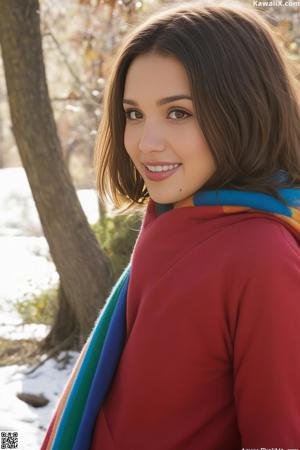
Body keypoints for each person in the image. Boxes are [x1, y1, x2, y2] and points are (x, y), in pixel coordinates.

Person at [41, 2, 300, 449]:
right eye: (134, 114)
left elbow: (278, 437)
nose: (146, 143)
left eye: (178, 112)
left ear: (245, 109)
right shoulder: (172, 222)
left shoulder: (263, 253)